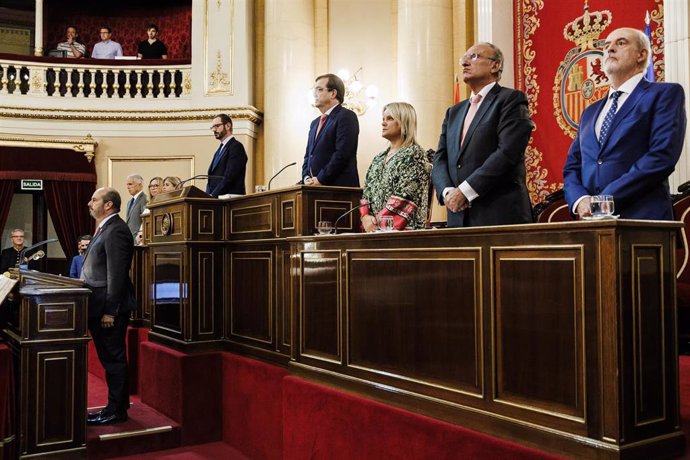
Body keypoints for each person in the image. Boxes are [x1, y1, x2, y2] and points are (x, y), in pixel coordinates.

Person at [563, 27, 687, 220]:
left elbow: (661, 156)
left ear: (641, 55)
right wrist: (579, 200)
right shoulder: (590, 112)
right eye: (606, 45)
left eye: (620, 43)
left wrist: (603, 201)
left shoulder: (664, 94)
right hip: (589, 225)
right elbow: (572, 166)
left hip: (643, 221)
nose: (609, 49)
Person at [432, 42, 534, 227]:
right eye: (463, 59)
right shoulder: (453, 112)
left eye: (474, 57)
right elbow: (440, 158)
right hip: (458, 217)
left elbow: (507, 153)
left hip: (498, 215)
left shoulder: (510, 100)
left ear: (495, 65)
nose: (464, 63)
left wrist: (465, 191)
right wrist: (448, 192)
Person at [82, 188, 135, 425]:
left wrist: (110, 311)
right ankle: (116, 407)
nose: (90, 203)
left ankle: (116, 411)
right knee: (110, 360)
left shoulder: (117, 231)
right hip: (99, 305)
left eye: (95, 200)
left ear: (108, 205)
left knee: (114, 360)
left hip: (109, 309)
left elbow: (117, 275)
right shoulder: (105, 228)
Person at [359, 102, 431, 231]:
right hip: (373, 231)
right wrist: (365, 217)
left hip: (404, 233)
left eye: (390, 118)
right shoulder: (379, 158)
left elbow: (406, 196)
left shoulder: (414, 154)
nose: (383, 123)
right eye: (383, 119)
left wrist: (377, 222)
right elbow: (366, 193)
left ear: (404, 122)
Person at [301, 73, 360, 187]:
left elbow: (342, 154)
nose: (314, 94)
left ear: (333, 93)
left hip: (339, 190)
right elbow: (308, 155)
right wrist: (306, 177)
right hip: (313, 190)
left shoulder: (346, 116)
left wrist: (321, 179)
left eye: (319, 89)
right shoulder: (314, 123)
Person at [206, 114, 247, 197]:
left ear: (228, 126)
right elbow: (211, 178)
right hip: (216, 201)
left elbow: (229, 177)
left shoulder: (236, 147)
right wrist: (206, 196)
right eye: (212, 127)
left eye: (217, 126)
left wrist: (213, 196)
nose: (214, 130)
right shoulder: (219, 150)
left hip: (230, 201)